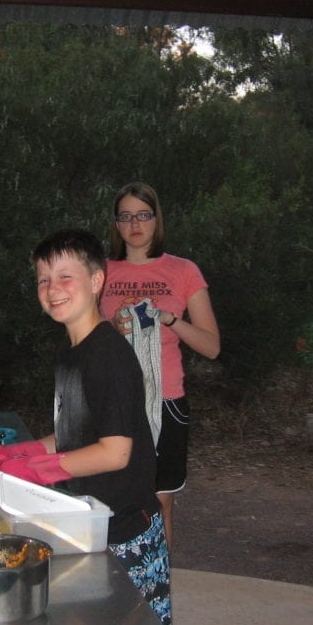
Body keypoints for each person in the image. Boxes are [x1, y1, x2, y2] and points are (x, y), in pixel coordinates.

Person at [0, 228, 172, 625]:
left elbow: (115, 452)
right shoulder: (72, 354)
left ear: (96, 281)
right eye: (43, 279)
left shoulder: (109, 355)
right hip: (89, 521)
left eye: (65, 276)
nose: (52, 288)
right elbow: (75, 435)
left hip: (126, 531)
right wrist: (18, 455)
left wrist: (39, 472)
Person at [99, 182, 221, 549]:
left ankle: (156, 594)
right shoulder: (101, 272)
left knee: (159, 501)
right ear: (116, 224)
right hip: (113, 401)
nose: (135, 224)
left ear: (157, 219)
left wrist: (169, 319)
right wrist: (112, 327)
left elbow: (211, 347)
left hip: (166, 401)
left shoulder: (183, 271)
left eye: (143, 215)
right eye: (126, 216)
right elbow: (81, 340)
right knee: (109, 500)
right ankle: (118, 587)